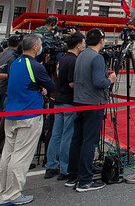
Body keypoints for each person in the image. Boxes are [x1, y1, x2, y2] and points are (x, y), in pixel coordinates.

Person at [0, 34, 55, 205]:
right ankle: (12, 195)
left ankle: (2, 193)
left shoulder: (16, 63)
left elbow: (23, 83)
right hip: (29, 114)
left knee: (8, 154)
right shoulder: (35, 66)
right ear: (36, 47)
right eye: (41, 44)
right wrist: (41, 85)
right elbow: (51, 86)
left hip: (11, 113)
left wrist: (36, 86)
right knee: (21, 157)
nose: (41, 46)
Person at [66, 28, 116, 192]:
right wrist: (110, 80)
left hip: (79, 100)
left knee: (77, 139)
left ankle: (73, 176)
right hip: (93, 103)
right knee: (90, 141)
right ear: (101, 41)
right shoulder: (97, 58)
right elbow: (98, 82)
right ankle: (85, 180)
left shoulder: (81, 55)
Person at [45, 31, 84, 180]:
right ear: (78, 45)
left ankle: (50, 165)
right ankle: (65, 168)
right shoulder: (74, 61)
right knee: (67, 135)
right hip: (69, 100)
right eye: (83, 42)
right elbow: (72, 83)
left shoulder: (61, 59)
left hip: (58, 99)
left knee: (56, 134)